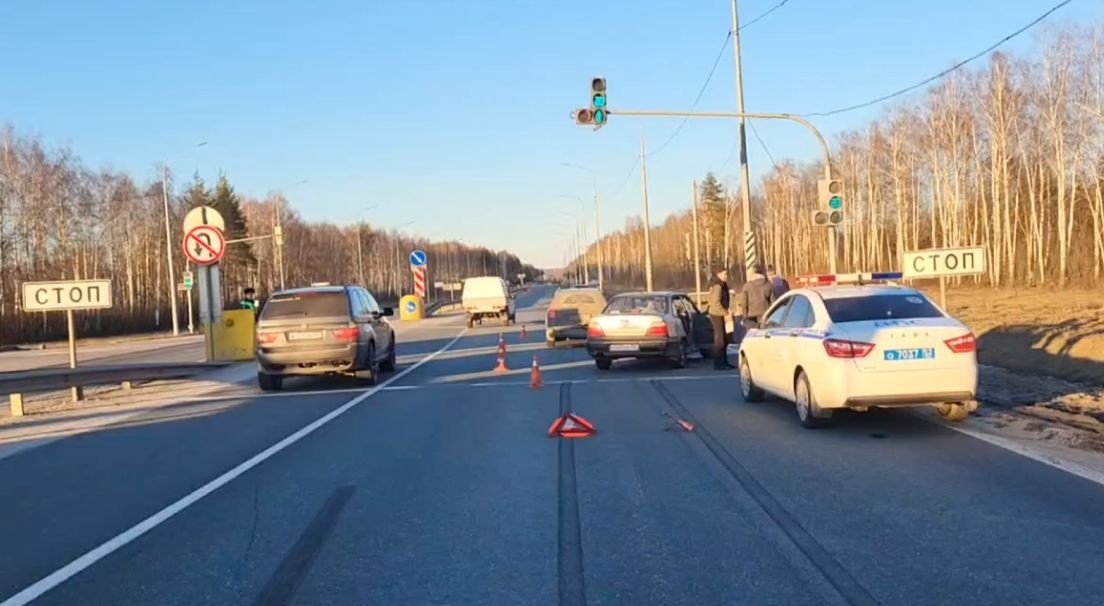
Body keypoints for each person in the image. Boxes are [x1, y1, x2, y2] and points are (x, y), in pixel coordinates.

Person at [707, 267, 736, 370]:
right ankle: (719, 363)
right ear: (718, 274)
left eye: (726, 274)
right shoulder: (717, 286)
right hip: (717, 315)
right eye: (724, 274)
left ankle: (724, 362)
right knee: (719, 340)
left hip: (721, 314)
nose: (726, 276)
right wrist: (725, 313)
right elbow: (715, 303)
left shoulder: (723, 285)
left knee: (724, 338)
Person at [740, 264, 776, 331]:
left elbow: (744, 303)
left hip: (751, 317)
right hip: (765, 315)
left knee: (752, 337)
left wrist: (745, 316)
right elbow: (773, 302)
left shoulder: (746, 286)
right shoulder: (769, 285)